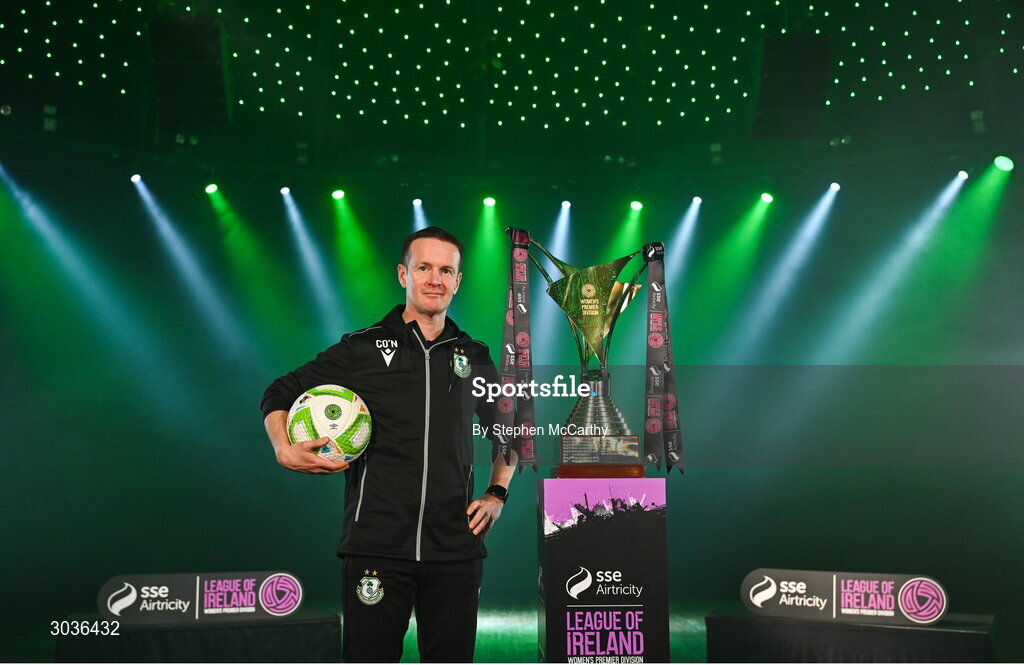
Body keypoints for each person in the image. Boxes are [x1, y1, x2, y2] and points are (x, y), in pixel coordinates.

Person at [260, 226, 514, 663]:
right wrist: (284, 447)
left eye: (446, 270)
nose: (435, 279)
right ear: (403, 274)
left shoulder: (474, 356)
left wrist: (497, 493)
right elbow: (280, 392)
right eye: (424, 268)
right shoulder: (361, 349)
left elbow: (509, 431)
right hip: (375, 546)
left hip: (454, 549)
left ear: (458, 281)